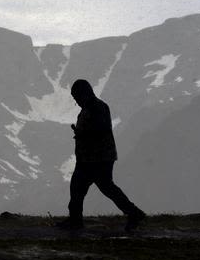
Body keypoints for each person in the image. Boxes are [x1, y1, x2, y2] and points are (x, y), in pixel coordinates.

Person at [57, 79, 146, 232]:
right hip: (91, 158)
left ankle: (133, 213)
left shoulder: (97, 108)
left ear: (84, 93)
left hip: (97, 158)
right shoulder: (91, 108)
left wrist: (82, 133)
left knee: (100, 188)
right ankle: (76, 220)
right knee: (84, 188)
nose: (76, 101)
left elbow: (100, 130)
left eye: (77, 97)